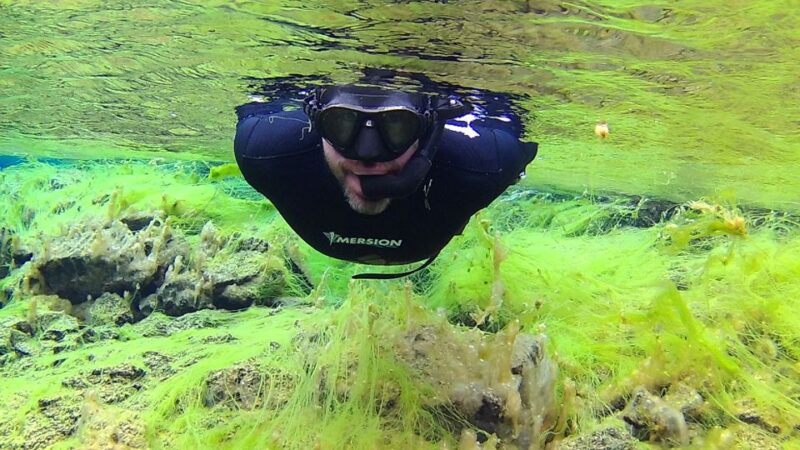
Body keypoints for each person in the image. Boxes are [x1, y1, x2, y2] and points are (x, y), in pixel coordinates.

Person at [233, 83, 537, 278]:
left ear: (428, 131)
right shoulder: (267, 155)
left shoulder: (480, 168)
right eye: (341, 124)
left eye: (397, 125)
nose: (369, 156)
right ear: (317, 124)